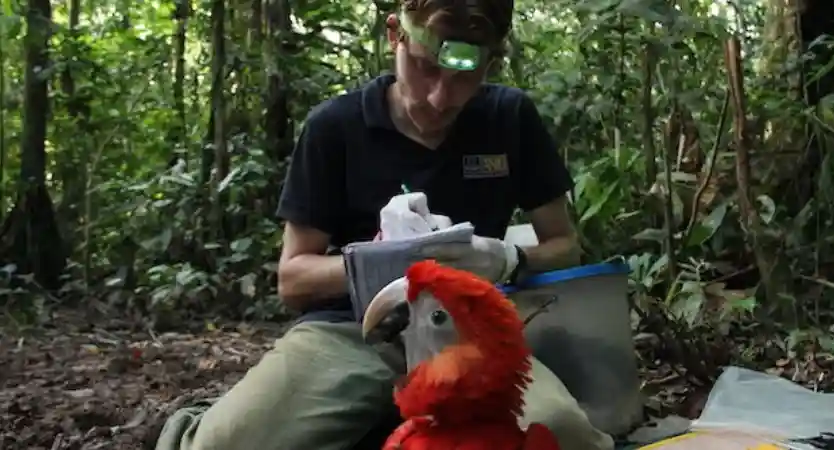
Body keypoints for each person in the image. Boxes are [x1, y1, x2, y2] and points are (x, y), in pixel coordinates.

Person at [154, 1, 616, 449]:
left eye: (464, 77)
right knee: (224, 444)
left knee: (561, 432)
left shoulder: (508, 117)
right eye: (425, 68)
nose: (440, 96)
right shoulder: (336, 127)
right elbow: (293, 278)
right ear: (394, 34)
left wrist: (503, 257)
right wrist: (387, 263)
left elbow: (564, 245)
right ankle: (212, 417)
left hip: (470, 338)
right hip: (352, 332)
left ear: (492, 61)